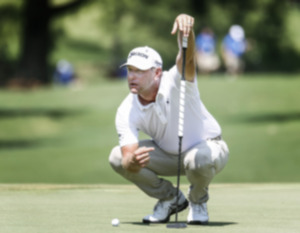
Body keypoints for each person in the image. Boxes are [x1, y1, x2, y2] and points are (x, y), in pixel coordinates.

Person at [109, 14, 229, 225]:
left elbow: (188, 58)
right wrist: (132, 162)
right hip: (168, 155)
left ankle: (198, 201)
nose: (132, 77)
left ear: (156, 72)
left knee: (197, 160)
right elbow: (127, 156)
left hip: (208, 149)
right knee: (117, 158)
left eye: (139, 71)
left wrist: (187, 32)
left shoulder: (176, 81)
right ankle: (170, 198)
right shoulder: (126, 109)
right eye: (129, 70)